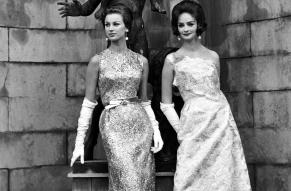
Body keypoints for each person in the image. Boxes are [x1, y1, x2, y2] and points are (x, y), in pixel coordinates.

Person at [160, 1, 252, 190]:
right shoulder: (172, 60)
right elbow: (166, 104)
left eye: (190, 24)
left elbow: (216, 92)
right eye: (181, 25)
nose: (185, 29)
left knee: (223, 176)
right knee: (188, 178)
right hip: (192, 125)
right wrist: (181, 130)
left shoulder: (213, 57)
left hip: (220, 123)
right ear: (176, 28)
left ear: (199, 24)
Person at [70, 5, 163, 190]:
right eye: (107, 24)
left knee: (143, 178)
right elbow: (88, 103)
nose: (110, 28)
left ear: (127, 27)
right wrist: (79, 143)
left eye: (116, 24)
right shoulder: (97, 61)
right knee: (125, 175)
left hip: (140, 124)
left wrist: (156, 131)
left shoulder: (141, 61)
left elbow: (144, 100)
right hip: (112, 123)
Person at [57, 0, 166, 58]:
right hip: (116, 33)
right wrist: (80, 10)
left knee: (142, 67)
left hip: (137, 28)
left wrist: (155, 3)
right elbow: (89, 7)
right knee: (114, 67)